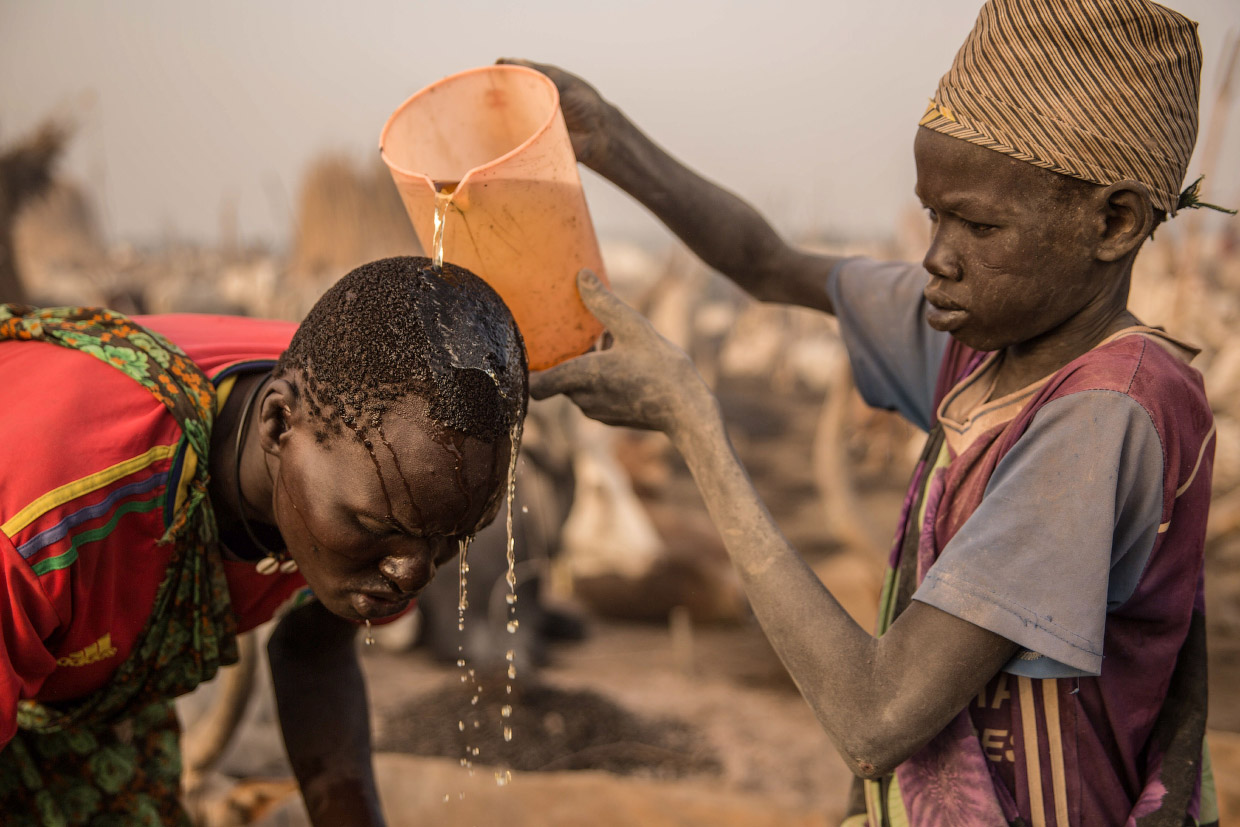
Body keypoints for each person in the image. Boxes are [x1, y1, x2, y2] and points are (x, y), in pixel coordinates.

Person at [506, 0, 1233, 822]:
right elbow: (768, 263)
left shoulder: (1107, 416)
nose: (936, 256)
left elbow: (874, 717)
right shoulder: (984, 338)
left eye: (979, 225)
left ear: (1115, 222)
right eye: (934, 213)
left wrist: (692, 424)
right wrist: (608, 139)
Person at [0, 255, 527, 826]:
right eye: (380, 530)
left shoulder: (377, 428)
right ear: (277, 425)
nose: (413, 572)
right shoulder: (48, 524)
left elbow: (314, 650)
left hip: (94, 711)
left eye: (455, 537)